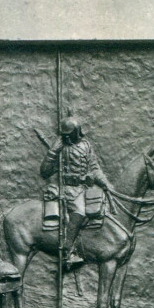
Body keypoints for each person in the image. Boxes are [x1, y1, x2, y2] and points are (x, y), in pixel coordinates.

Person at [40, 116, 109, 270]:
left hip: (84, 189)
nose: (66, 137)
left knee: (101, 206)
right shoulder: (60, 147)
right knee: (80, 211)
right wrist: (53, 151)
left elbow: (95, 168)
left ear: (77, 132)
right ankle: (67, 251)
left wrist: (105, 183)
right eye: (64, 134)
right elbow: (44, 172)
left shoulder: (86, 145)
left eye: (69, 133)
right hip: (67, 190)